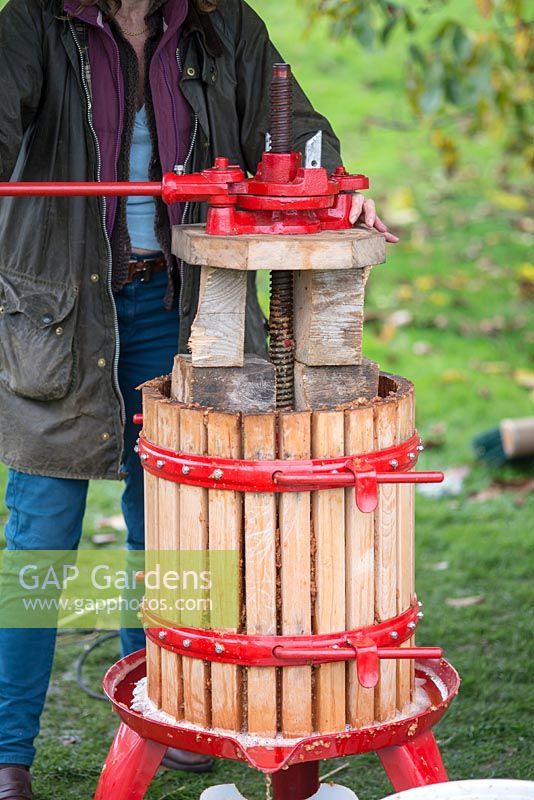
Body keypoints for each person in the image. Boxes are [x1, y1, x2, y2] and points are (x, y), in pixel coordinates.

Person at [0, 0, 398, 795]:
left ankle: (161, 708)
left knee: (175, 524)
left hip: (180, 309)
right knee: (40, 537)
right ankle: (9, 750)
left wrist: (335, 183)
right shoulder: (33, 24)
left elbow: (296, 130)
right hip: (56, 312)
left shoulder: (223, 25)